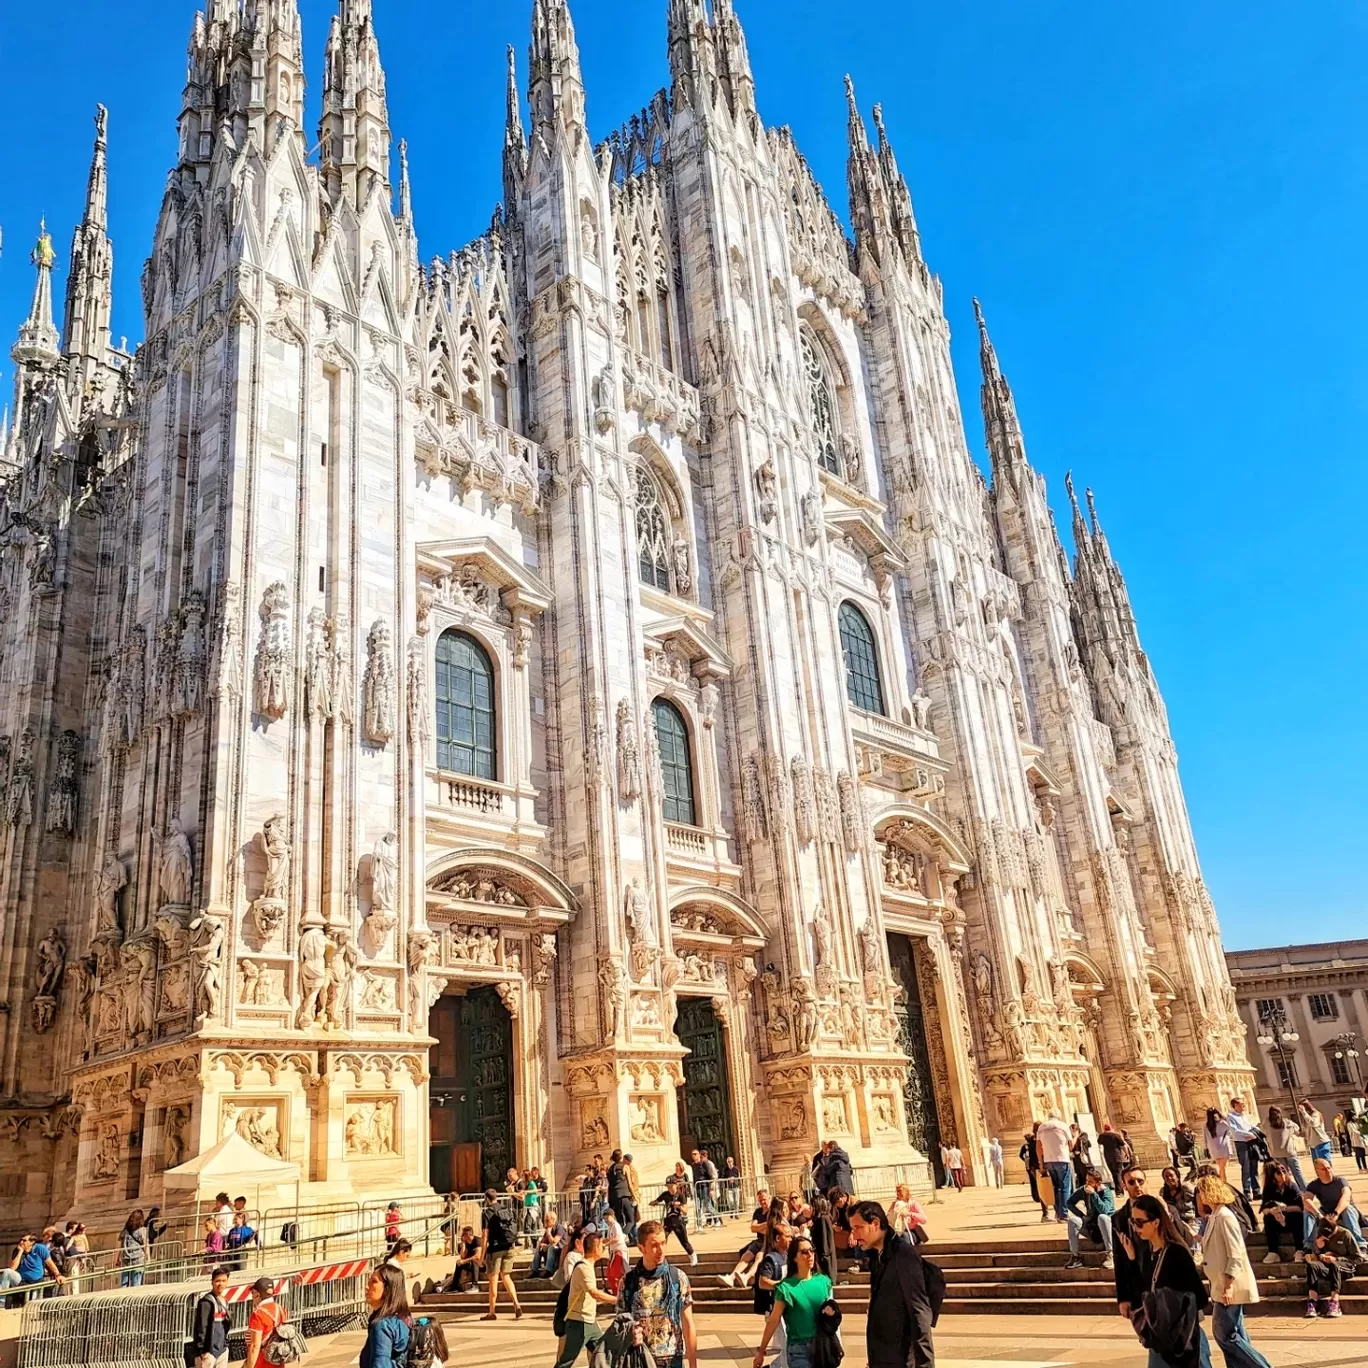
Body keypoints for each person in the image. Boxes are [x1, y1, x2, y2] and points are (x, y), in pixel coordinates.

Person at [1118, 1195, 1213, 1368]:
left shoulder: (1176, 1253)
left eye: (1140, 1222)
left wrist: (1172, 1305)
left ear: (1155, 1222)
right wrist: (1132, 1260)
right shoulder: (1150, 1254)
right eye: (1133, 1221)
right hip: (1161, 1338)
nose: (1135, 1227)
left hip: (1182, 1339)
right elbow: (1144, 1293)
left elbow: (1200, 1297)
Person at [848, 1200, 938, 1368]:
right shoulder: (877, 1256)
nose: (854, 1235)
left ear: (875, 1223)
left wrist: (925, 1365)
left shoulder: (903, 1255)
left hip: (901, 1360)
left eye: (858, 1228)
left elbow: (920, 1312)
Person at [1195, 1176, 1272, 1368]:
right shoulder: (1215, 1216)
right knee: (1236, 1332)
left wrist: (1228, 1286)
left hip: (1228, 1286)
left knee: (1224, 1334)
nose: (1200, 1197)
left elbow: (1235, 1252)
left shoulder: (1225, 1216)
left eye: (1202, 1192)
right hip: (1220, 1285)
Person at [619, 1220, 698, 1368]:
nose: (661, 1250)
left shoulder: (678, 1278)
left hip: (672, 1359)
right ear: (641, 1248)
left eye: (663, 1243)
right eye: (654, 1245)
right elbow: (620, 1324)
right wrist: (630, 1334)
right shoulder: (628, 1283)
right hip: (640, 1359)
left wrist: (693, 1364)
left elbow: (688, 1323)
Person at [752, 1233, 834, 1368]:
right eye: (804, 1252)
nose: (810, 1255)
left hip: (822, 1346)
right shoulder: (786, 1287)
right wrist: (761, 1351)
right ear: (794, 1258)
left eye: (811, 1251)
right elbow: (773, 1320)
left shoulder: (824, 1281)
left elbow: (832, 1315)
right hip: (798, 1350)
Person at [556, 1229, 617, 1368]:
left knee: (603, 1353)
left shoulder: (588, 1266)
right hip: (579, 1323)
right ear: (595, 1248)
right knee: (566, 1361)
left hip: (589, 1321)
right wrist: (616, 1299)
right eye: (601, 1246)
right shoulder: (584, 1268)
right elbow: (594, 1293)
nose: (603, 1249)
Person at [752, 1215, 791, 1367]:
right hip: (774, 1308)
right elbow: (763, 1282)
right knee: (787, 1345)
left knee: (789, 1347)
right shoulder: (771, 1259)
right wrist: (781, 1285)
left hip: (786, 1307)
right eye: (786, 1236)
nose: (790, 1239)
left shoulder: (787, 1256)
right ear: (777, 1239)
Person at [477, 1187, 522, 1320]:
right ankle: (516, 1304)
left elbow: (485, 1236)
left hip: (495, 1249)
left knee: (493, 1280)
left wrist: (482, 1256)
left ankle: (492, 1312)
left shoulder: (487, 1214)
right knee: (506, 1276)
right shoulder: (505, 1209)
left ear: (486, 1199)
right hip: (509, 1247)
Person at [1302, 1155, 1365, 1248]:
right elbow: (1306, 1200)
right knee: (1308, 1212)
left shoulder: (1340, 1181)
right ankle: (1308, 1246)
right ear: (1317, 1171)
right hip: (1326, 1212)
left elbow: (1346, 1198)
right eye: (1324, 1169)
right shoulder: (1313, 1185)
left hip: (1344, 1211)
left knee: (1347, 1208)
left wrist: (1336, 1213)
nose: (1328, 1171)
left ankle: (1360, 1244)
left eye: (1328, 1168)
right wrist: (1319, 1215)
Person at [1303, 1215, 1356, 1318]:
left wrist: (1337, 1259)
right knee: (1312, 1266)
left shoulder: (1345, 1234)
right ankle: (1313, 1301)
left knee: (1334, 1265)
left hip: (1346, 1267)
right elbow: (1315, 1257)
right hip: (1327, 1267)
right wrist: (1318, 1249)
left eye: (1330, 1235)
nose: (1328, 1238)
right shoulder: (1321, 1234)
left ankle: (1334, 1302)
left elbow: (1357, 1258)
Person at [360, 1263, 410, 1368]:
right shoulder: (404, 1318)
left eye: (373, 1282)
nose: (366, 1286)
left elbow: (381, 1364)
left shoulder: (382, 1325)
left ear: (387, 1289)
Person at [720, 1190, 773, 1288]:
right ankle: (731, 1277)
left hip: (769, 1241)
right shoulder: (758, 1211)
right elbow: (753, 1228)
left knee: (759, 1256)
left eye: (764, 1200)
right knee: (746, 1255)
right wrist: (763, 1226)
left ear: (769, 1198)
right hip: (759, 1240)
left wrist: (760, 1227)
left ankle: (747, 1277)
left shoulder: (773, 1212)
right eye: (760, 1200)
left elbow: (769, 1228)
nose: (762, 1202)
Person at [1065, 1168, 1115, 1270]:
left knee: (1102, 1217)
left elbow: (1104, 1210)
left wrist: (1094, 1194)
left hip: (1107, 1229)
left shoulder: (1106, 1192)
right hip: (1092, 1227)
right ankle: (1075, 1257)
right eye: (1087, 1181)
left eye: (1091, 1182)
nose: (1087, 1184)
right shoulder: (1084, 1190)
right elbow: (1069, 1203)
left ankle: (1110, 1254)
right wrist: (1082, 1215)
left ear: (1098, 1183)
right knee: (1073, 1221)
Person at [189, 1267, 232, 1368]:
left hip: (222, 1349)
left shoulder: (224, 1301)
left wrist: (225, 1345)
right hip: (208, 1352)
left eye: (223, 1281)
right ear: (212, 1282)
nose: (220, 1284)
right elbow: (201, 1327)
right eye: (217, 1281)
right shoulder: (206, 1302)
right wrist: (203, 1351)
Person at [243, 1276, 288, 1368]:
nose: (252, 1296)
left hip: (262, 1362)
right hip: (278, 1360)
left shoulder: (258, 1314)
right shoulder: (280, 1309)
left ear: (257, 1294)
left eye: (253, 1293)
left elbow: (255, 1346)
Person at [0, 1232, 65, 1296]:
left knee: (33, 1303)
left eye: (24, 1240)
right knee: (7, 1272)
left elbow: (50, 1263)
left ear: (32, 1242)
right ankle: (1, 1302)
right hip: (22, 1281)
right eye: (21, 1240)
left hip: (36, 1282)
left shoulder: (40, 1248)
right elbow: (13, 1268)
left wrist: (58, 1274)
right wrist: (20, 1252)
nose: (21, 1242)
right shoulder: (17, 1250)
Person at [1037, 1112, 1074, 1221]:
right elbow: (1071, 1146)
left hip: (1048, 1160)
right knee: (1064, 1187)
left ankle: (1058, 1212)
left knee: (1055, 1187)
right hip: (1062, 1159)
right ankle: (1063, 1214)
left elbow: (1038, 1147)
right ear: (1059, 1116)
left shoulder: (1041, 1127)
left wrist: (1041, 1163)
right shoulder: (1063, 1126)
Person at [1223, 1098, 1261, 1202]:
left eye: (1243, 1104)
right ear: (1234, 1105)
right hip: (1241, 1143)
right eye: (1241, 1105)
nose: (1243, 1106)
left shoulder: (1245, 1116)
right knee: (1246, 1167)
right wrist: (1249, 1134)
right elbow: (1235, 1130)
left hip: (1252, 1142)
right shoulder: (1231, 1116)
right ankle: (1247, 1191)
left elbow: (1251, 1126)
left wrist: (1257, 1131)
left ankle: (1256, 1190)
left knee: (1254, 1165)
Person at [1262, 1105, 1307, 1189]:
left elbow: (1263, 1131)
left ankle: (1287, 1190)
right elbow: (1297, 1131)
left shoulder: (1267, 1124)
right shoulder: (1288, 1123)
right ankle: (1304, 1189)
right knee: (1297, 1172)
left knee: (1283, 1173)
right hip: (1290, 1151)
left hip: (1276, 1153)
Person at [656, 1173, 697, 1265]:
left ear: (675, 1185)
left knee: (684, 1241)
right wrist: (654, 1203)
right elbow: (657, 1200)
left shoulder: (681, 1195)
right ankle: (661, 1258)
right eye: (668, 1186)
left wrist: (679, 1206)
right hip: (668, 1221)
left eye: (671, 1186)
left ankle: (692, 1255)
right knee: (662, 1238)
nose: (669, 1188)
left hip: (678, 1220)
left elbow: (685, 1211)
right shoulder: (665, 1194)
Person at [608, 1149, 637, 1239]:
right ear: (621, 1157)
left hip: (613, 1197)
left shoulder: (611, 1169)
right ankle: (621, 1236)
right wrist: (635, 1196)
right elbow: (629, 1184)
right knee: (631, 1220)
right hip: (624, 1195)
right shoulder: (625, 1167)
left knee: (619, 1221)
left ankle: (618, 1238)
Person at [808, 1195, 838, 1282]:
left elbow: (825, 1242)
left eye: (812, 1206)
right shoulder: (819, 1219)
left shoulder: (823, 1219)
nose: (810, 1208)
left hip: (824, 1259)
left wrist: (823, 1258)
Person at [690, 1148, 721, 1229]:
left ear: (699, 1155)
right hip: (697, 1187)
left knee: (708, 1206)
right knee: (698, 1207)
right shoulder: (693, 1165)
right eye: (692, 1154)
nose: (694, 1156)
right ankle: (699, 1225)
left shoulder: (704, 1163)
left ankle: (717, 1220)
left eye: (695, 1154)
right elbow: (694, 1177)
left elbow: (711, 1176)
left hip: (705, 1187)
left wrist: (711, 1189)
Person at [119, 1209, 150, 1288]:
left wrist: (118, 1258)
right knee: (136, 1283)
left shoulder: (125, 1230)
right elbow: (145, 1245)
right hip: (138, 1259)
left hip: (126, 1258)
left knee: (124, 1283)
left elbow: (121, 1245)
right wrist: (148, 1258)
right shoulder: (142, 1230)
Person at [603, 1208, 631, 1295]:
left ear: (612, 1216)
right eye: (605, 1218)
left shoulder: (616, 1225)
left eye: (607, 1218)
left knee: (618, 1273)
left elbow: (616, 1238)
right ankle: (616, 1292)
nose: (606, 1220)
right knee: (610, 1274)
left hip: (619, 1252)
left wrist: (606, 1244)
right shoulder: (610, 1227)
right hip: (613, 1253)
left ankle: (625, 1291)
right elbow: (609, 1239)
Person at [1202, 1108, 1234, 1182]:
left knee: (1221, 1167)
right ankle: (1224, 1182)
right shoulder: (1222, 1123)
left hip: (1212, 1148)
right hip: (1223, 1145)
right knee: (1223, 1167)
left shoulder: (1205, 1125)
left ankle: (1222, 1181)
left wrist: (1206, 1148)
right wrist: (1221, 1114)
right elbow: (1231, 1126)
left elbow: (1205, 1138)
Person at [1098, 1123, 1131, 1191]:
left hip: (1108, 1157)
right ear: (1111, 1128)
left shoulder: (1102, 1136)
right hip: (1117, 1156)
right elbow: (1123, 1145)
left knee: (1113, 1173)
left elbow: (1099, 1142)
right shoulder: (1115, 1135)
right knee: (1118, 1173)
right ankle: (1119, 1190)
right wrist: (1127, 1154)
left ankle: (1117, 1189)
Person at [530, 1211, 563, 1279]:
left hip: (559, 1249)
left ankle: (549, 1271)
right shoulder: (549, 1229)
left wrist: (548, 1234)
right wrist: (542, 1245)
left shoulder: (560, 1228)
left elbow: (554, 1242)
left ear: (553, 1220)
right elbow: (542, 1241)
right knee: (538, 1246)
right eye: (545, 1220)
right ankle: (534, 1270)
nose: (546, 1222)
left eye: (547, 1220)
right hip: (550, 1248)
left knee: (551, 1247)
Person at [1299, 1100, 1333, 1164]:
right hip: (1313, 1145)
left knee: (1325, 1165)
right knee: (1318, 1167)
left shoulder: (1316, 1114)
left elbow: (1313, 1123)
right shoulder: (1306, 1118)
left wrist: (1304, 1112)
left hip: (1321, 1142)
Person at [64, 1223, 89, 1296]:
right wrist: (87, 1250)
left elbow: (68, 1245)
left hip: (77, 1252)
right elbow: (87, 1245)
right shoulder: (83, 1236)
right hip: (81, 1252)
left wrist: (67, 1249)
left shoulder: (74, 1237)